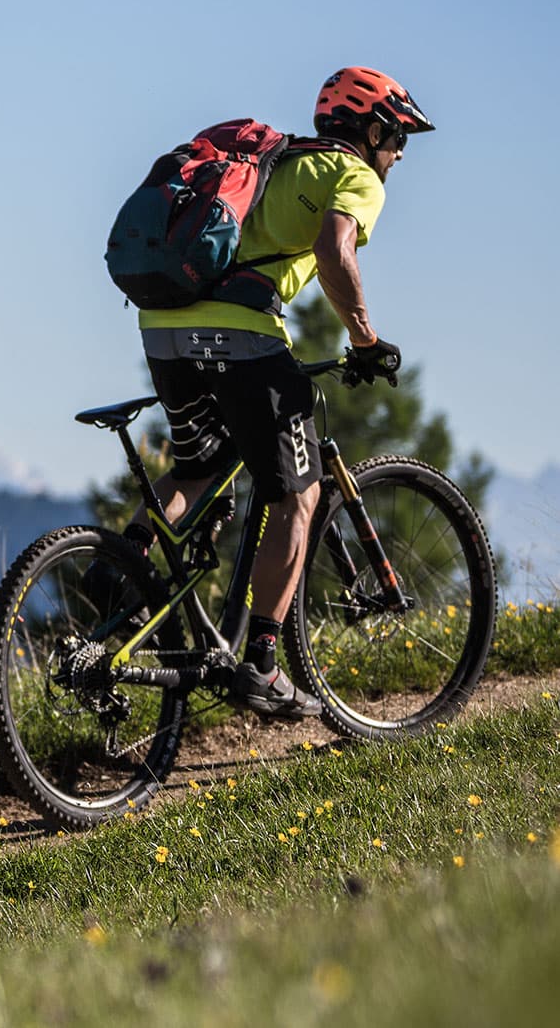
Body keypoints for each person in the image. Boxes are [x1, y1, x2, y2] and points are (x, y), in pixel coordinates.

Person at [126, 68, 435, 719]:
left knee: (197, 467)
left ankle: (121, 562)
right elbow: (334, 253)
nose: (400, 153)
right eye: (398, 137)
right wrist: (365, 339)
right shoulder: (353, 178)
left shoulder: (274, 160)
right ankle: (262, 665)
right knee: (299, 494)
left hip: (161, 326)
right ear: (372, 129)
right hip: (240, 336)